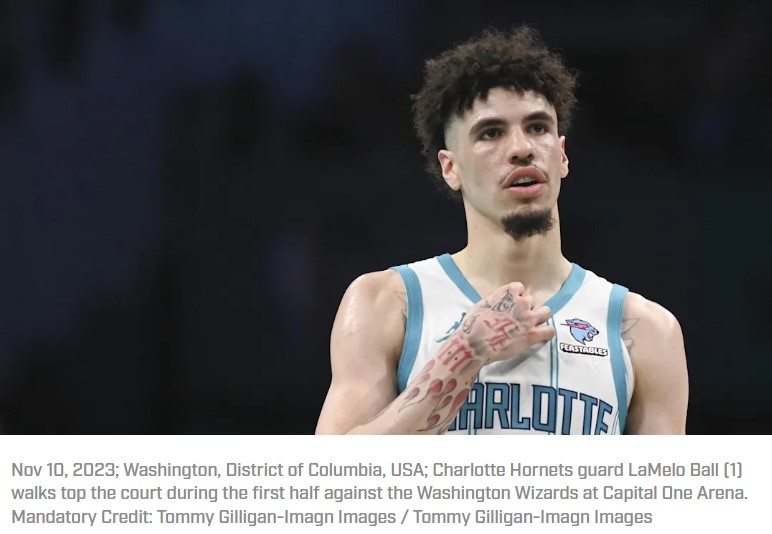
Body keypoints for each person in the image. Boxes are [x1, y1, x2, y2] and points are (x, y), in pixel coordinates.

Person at [315, 26, 688, 435]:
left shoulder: (645, 330)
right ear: (450, 167)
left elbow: (659, 495)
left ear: (562, 155)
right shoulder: (386, 302)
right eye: (490, 133)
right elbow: (332, 483)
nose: (521, 148)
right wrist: (464, 353)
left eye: (538, 128)